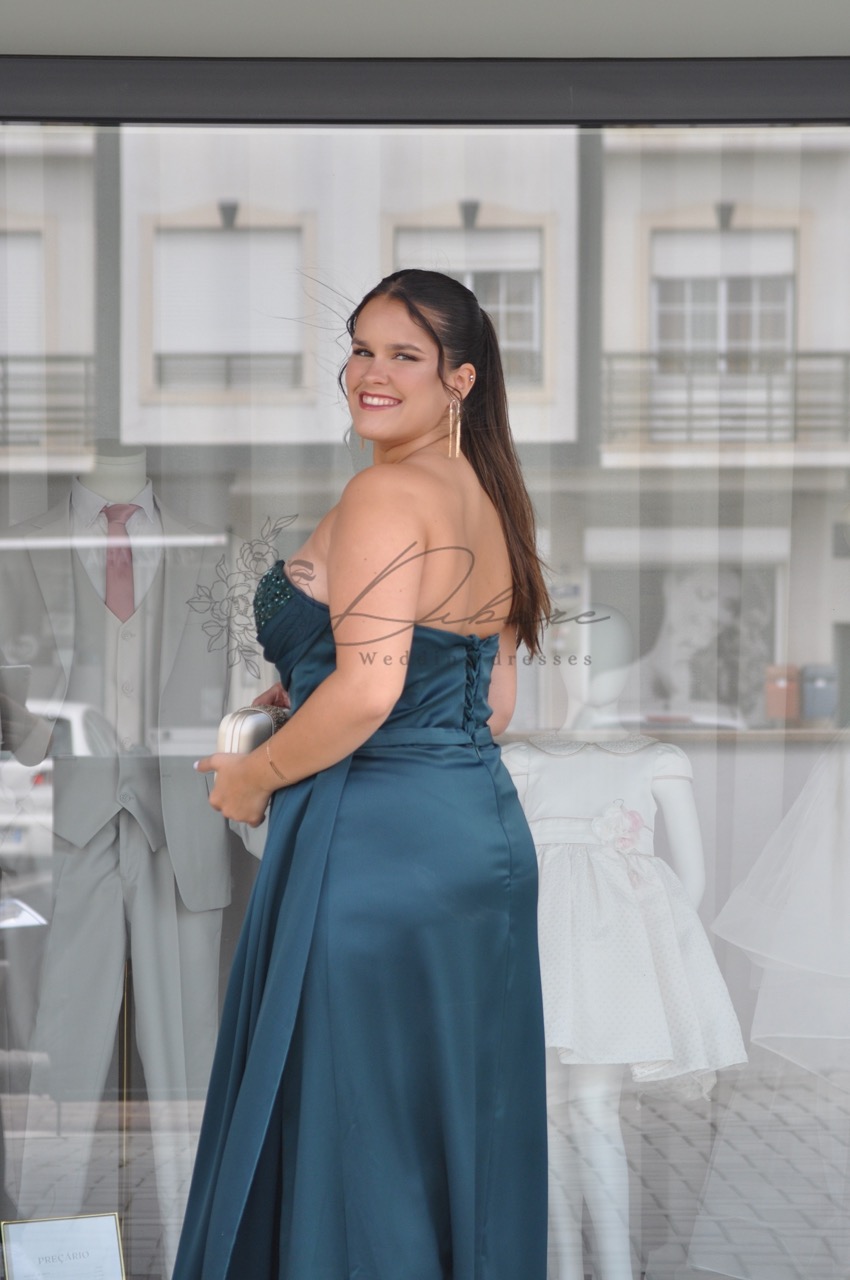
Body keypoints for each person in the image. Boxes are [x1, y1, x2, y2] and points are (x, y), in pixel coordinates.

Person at [171, 269, 551, 1280]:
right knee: (444, 1129)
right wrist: (311, 688)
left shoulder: (386, 492)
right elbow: (490, 704)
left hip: (374, 846)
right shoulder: (490, 500)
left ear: (460, 379)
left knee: (358, 1136)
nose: (370, 374)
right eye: (361, 348)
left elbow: (372, 689)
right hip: (472, 834)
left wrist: (255, 779)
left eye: (404, 355)